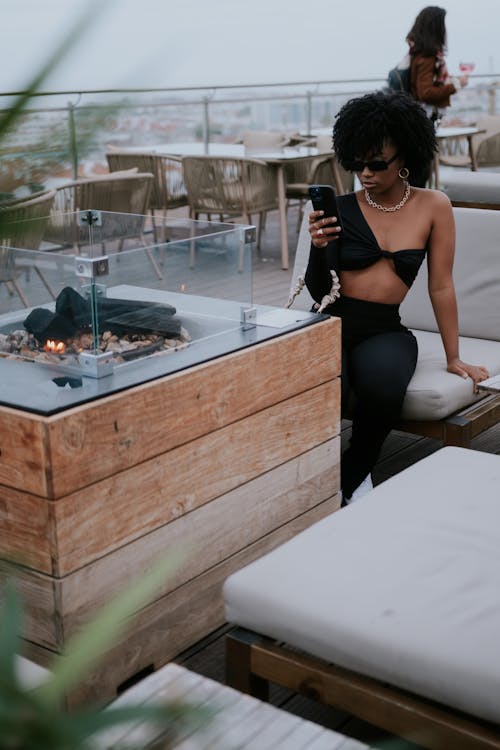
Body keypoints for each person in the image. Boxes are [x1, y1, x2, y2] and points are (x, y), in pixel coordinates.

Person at [306, 90, 489, 505]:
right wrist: (318, 248)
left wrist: (453, 356)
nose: (364, 173)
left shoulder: (434, 206)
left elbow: (440, 285)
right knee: (329, 389)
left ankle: (351, 475)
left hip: (383, 328)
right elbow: (319, 291)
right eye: (356, 162)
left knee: (384, 386)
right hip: (328, 322)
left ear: (404, 155)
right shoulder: (339, 206)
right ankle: (321, 478)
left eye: (376, 163)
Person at [407, 6, 468, 122]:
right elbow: (426, 93)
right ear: (436, 29)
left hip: (422, 115)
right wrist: (456, 85)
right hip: (427, 116)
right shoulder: (427, 57)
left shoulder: (417, 53)